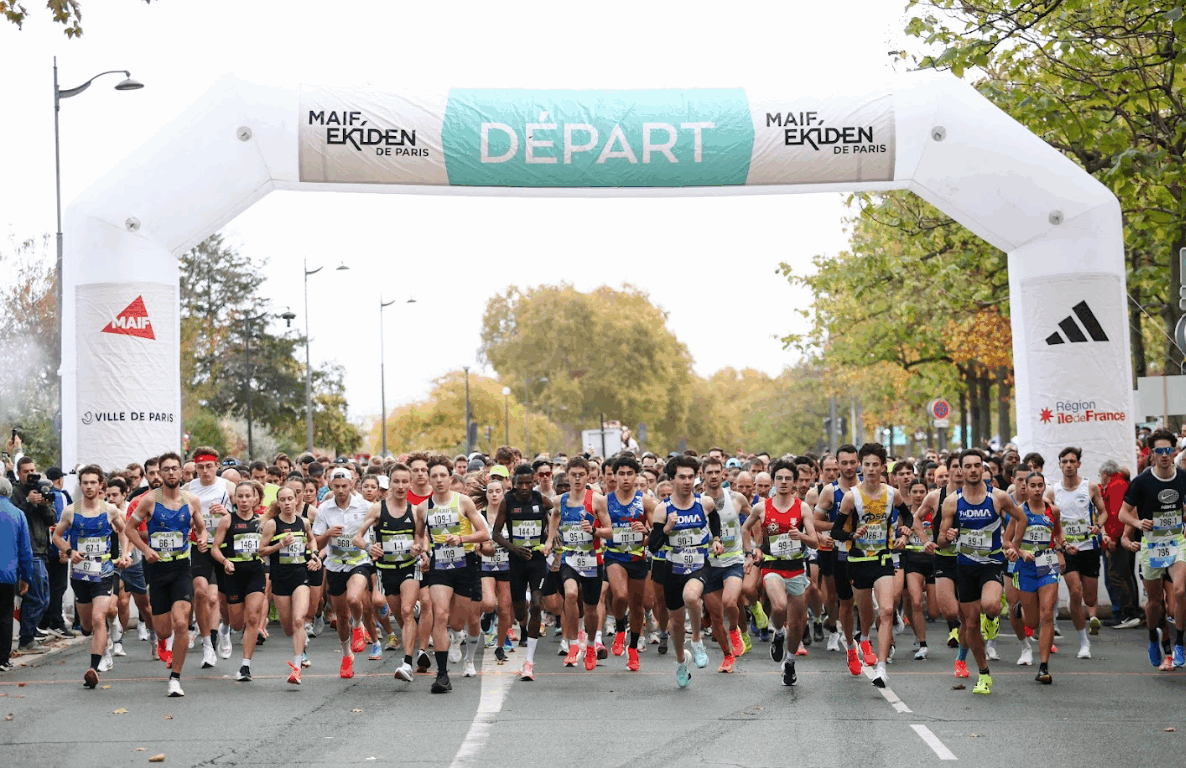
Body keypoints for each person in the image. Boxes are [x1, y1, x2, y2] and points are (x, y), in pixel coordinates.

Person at [938, 449, 1025, 696]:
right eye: (968, 466)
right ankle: (984, 673)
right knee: (971, 626)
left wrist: (1012, 545)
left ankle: (993, 617)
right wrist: (949, 536)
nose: (973, 470)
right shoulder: (952, 502)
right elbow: (941, 540)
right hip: (965, 567)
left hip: (992, 563)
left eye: (978, 466)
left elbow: (1021, 518)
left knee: (991, 605)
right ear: (961, 471)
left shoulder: (997, 497)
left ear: (983, 469)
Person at [123, 452, 206, 697]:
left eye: (175, 468)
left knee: (181, 622)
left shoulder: (191, 500)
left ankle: (175, 678)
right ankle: (161, 642)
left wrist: (202, 540)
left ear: (181, 472)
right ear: (159, 473)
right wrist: (146, 549)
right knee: (163, 629)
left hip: (181, 567)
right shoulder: (148, 500)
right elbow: (129, 529)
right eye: (166, 469)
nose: (171, 473)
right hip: (157, 568)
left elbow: (201, 529)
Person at [831, 443, 904, 689]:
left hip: (883, 560)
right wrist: (853, 535)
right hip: (858, 562)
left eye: (876, 465)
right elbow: (836, 531)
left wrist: (904, 533)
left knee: (886, 610)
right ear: (862, 466)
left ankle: (881, 668)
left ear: (884, 467)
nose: (871, 469)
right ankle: (863, 638)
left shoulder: (893, 494)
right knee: (867, 615)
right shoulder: (851, 497)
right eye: (867, 464)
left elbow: (909, 516)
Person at [416, 455, 489, 692]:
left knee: (458, 621)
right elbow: (420, 535)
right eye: (434, 476)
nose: (438, 480)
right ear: (428, 479)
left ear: (450, 478)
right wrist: (422, 550)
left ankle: (457, 636)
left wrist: (461, 538)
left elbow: (484, 533)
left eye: (442, 476)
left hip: (465, 563)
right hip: (439, 565)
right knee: (441, 615)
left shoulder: (463, 502)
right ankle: (442, 675)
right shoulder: (423, 507)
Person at [51, 465, 128, 688]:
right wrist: (69, 551)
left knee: (98, 617)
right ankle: (97, 644)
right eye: (85, 483)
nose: (89, 486)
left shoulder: (110, 510)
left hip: (103, 572)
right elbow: (57, 536)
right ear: (81, 485)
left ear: (100, 484)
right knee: (86, 624)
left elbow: (123, 530)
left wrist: (124, 553)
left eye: (93, 482)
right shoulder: (71, 511)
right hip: (80, 573)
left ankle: (94, 667)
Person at [745, 459, 818, 686]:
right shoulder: (762, 508)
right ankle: (778, 632)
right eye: (779, 478)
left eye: (788, 479)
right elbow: (745, 528)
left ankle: (789, 661)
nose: (783, 482)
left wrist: (802, 536)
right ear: (773, 481)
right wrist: (751, 551)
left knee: (797, 624)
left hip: (796, 570)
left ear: (794, 482)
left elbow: (814, 542)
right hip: (772, 567)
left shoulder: (802, 507)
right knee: (778, 607)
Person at [1117, 428, 1186, 669]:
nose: (1165, 455)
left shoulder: (1182, 477)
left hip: (1177, 541)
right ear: (1152, 454)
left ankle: (1180, 645)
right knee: (1155, 603)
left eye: (1169, 450)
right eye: (1160, 451)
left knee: (1179, 592)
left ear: (1174, 451)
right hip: (1152, 546)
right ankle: (1152, 639)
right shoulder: (1142, 482)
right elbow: (1122, 513)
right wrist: (1137, 523)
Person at [355, 463, 428, 683]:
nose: (400, 485)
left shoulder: (415, 511)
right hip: (386, 571)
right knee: (401, 616)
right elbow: (358, 537)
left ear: (410, 484)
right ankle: (414, 642)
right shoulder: (378, 509)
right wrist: (369, 548)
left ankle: (406, 663)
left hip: (409, 566)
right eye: (396, 481)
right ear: (389, 483)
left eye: (405, 481)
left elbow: (422, 537)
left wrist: (420, 549)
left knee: (406, 611)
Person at [652, 455, 718, 688]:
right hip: (673, 568)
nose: (687, 481)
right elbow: (653, 545)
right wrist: (667, 528)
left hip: (699, 563)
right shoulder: (662, 509)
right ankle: (682, 660)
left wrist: (717, 539)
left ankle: (698, 641)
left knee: (692, 597)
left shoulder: (704, 503)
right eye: (682, 477)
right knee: (676, 623)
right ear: (671, 480)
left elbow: (715, 518)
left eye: (691, 477)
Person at [491, 465, 556, 681]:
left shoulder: (542, 500)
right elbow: (496, 533)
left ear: (534, 481)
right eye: (520, 483)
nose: (525, 487)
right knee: (520, 608)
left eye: (529, 483)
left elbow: (555, 516)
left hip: (537, 560)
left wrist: (550, 537)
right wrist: (513, 548)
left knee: (536, 603)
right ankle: (522, 625)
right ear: (514, 482)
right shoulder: (507, 501)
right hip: (516, 560)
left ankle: (529, 660)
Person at [1046, 447, 1110, 659]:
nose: (1069, 465)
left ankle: (1084, 614)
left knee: (1090, 600)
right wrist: (1059, 545)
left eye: (1072, 461)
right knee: (1075, 592)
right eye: (1065, 462)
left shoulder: (1090, 487)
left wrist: (1098, 527)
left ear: (1079, 464)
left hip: (1089, 547)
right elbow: (1049, 522)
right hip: (1068, 548)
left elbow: (1103, 513)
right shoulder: (1053, 492)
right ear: (1060, 465)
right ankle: (1084, 642)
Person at [313, 467, 375, 680]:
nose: (340, 490)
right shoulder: (324, 509)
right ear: (331, 485)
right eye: (336, 486)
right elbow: (317, 540)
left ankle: (358, 626)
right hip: (335, 564)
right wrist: (328, 534)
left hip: (359, 561)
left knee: (354, 597)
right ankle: (347, 655)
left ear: (352, 485)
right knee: (341, 615)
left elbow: (375, 535)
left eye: (344, 486)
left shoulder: (366, 507)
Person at [598, 455, 656, 672]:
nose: (625, 478)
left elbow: (655, 533)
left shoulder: (646, 500)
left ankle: (632, 649)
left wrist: (646, 532)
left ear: (636, 476)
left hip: (638, 557)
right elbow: (600, 527)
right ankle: (620, 628)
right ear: (614, 476)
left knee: (638, 605)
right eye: (620, 473)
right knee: (620, 595)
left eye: (629, 474)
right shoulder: (605, 500)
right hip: (614, 555)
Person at [259, 484, 321, 684]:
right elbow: (261, 551)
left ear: (296, 501)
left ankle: (296, 667)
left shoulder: (303, 522)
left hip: (300, 575)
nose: (287, 503)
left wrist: (314, 555)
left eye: (290, 499)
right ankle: (299, 640)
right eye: (282, 500)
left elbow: (312, 541)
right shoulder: (272, 525)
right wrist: (280, 545)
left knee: (298, 620)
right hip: (280, 578)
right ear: (278, 503)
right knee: (288, 627)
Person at [210, 481, 269, 682]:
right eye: (240, 496)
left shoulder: (262, 521)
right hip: (233, 572)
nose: (244, 501)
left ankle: (245, 666)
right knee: (237, 624)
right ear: (235, 499)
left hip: (255, 571)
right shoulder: (228, 520)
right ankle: (225, 626)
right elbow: (215, 548)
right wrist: (225, 561)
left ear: (255, 498)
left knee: (252, 618)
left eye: (247, 496)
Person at [554, 457, 609, 671]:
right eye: (573, 475)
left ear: (587, 477)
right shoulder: (561, 500)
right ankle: (575, 643)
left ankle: (591, 644)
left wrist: (594, 531)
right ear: (567, 476)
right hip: (570, 558)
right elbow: (553, 518)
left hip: (592, 559)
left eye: (581, 475)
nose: (577, 479)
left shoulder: (597, 500)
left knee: (591, 609)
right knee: (569, 594)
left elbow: (610, 531)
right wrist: (551, 538)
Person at [700, 456, 752, 671]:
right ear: (703, 475)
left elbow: (756, 519)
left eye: (716, 472)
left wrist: (752, 550)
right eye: (709, 472)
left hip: (733, 560)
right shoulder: (697, 503)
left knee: (730, 602)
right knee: (715, 616)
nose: (713, 476)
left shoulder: (737, 499)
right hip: (708, 564)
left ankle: (734, 630)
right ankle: (727, 656)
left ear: (723, 474)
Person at [185, 447, 235, 668]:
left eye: (209, 466)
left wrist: (227, 514)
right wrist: (186, 528)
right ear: (195, 468)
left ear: (217, 466)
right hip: (200, 547)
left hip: (224, 548)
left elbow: (246, 514)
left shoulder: (229, 486)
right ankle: (207, 645)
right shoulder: (188, 489)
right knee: (200, 593)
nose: (205, 471)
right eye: (200, 467)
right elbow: (180, 515)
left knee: (218, 600)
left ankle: (224, 629)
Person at [1010, 471, 1061, 684]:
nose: (1037, 489)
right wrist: (1021, 552)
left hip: (1048, 564)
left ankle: (1043, 667)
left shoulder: (1053, 511)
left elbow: (1057, 534)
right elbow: (1007, 542)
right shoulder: (1018, 512)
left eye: (1041, 485)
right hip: (1026, 567)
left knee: (1047, 614)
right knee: (1031, 621)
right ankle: (1020, 609)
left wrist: (1064, 548)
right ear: (1026, 488)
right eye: (1033, 485)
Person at [475, 474, 513, 664]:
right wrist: (480, 547)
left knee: (505, 610)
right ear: (486, 494)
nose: (494, 495)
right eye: (491, 491)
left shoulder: (510, 516)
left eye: (498, 491)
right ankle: (487, 615)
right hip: (485, 565)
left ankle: (499, 646)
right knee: (490, 603)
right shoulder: (479, 516)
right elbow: (473, 538)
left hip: (506, 565)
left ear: (504, 493)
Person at [1099, 460, 1139, 627]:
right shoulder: (1122, 484)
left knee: (1116, 575)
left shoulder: (1115, 486)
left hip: (1119, 536)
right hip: (1125, 535)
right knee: (1125, 573)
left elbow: (1116, 515)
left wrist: (1114, 538)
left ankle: (1126, 613)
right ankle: (1131, 611)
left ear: (1105, 474)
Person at [0, 478, 34, 672]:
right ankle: (3, 658)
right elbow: (25, 551)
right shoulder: (18, 514)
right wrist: (25, 577)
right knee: (4, 615)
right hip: (7, 573)